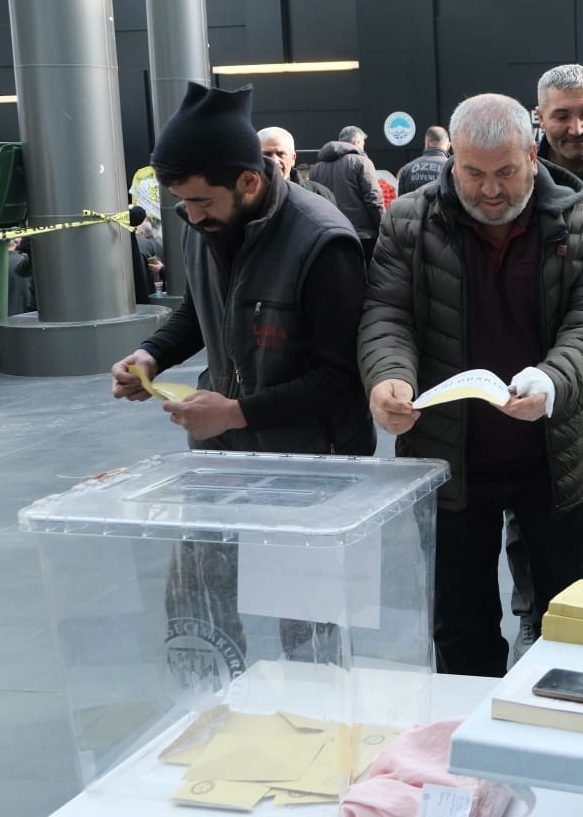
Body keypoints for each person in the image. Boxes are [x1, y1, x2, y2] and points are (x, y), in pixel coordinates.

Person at [110, 82, 375, 667]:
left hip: (311, 462)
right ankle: (216, 708)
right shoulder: (204, 223)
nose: (191, 214)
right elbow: (199, 309)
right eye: (182, 203)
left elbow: (340, 378)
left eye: (202, 201)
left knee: (306, 623)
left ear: (249, 182)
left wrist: (234, 411)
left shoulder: (323, 242)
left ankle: (313, 724)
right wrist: (152, 355)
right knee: (202, 602)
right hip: (222, 452)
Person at [359, 92, 583, 676]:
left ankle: (567, 726)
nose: (491, 189)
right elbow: (387, 312)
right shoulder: (408, 220)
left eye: (506, 171)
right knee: (459, 622)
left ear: (533, 154)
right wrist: (389, 377)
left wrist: (554, 380)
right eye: (473, 173)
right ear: (453, 161)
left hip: (556, 453)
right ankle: (466, 746)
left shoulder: (581, 222)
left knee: (571, 616)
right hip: (450, 458)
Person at [500, 63, 583, 659]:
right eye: (562, 114)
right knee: (525, 508)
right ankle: (533, 613)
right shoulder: (518, 175)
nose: (576, 126)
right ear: (540, 118)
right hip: (531, 374)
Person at [311, 125, 384, 259]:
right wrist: (382, 228)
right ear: (356, 142)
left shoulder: (317, 168)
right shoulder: (362, 162)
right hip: (363, 235)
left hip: (329, 235)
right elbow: (374, 199)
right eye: (363, 143)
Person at [259, 126, 337, 203]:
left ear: (293, 158)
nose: (275, 161)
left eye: (280, 154)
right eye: (267, 154)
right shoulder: (247, 197)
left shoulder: (320, 195)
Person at [396, 126, 451, 195]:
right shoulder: (452, 169)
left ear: (426, 142)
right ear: (448, 146)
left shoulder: (407, 170)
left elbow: (401, 202)